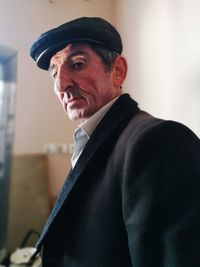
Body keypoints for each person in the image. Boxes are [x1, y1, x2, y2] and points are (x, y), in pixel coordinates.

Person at [30, 17, 200, 267]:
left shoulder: (159, 141)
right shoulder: (91, 139)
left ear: (117, 71)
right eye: (54, 73)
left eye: (77, 64)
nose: (61, 84)